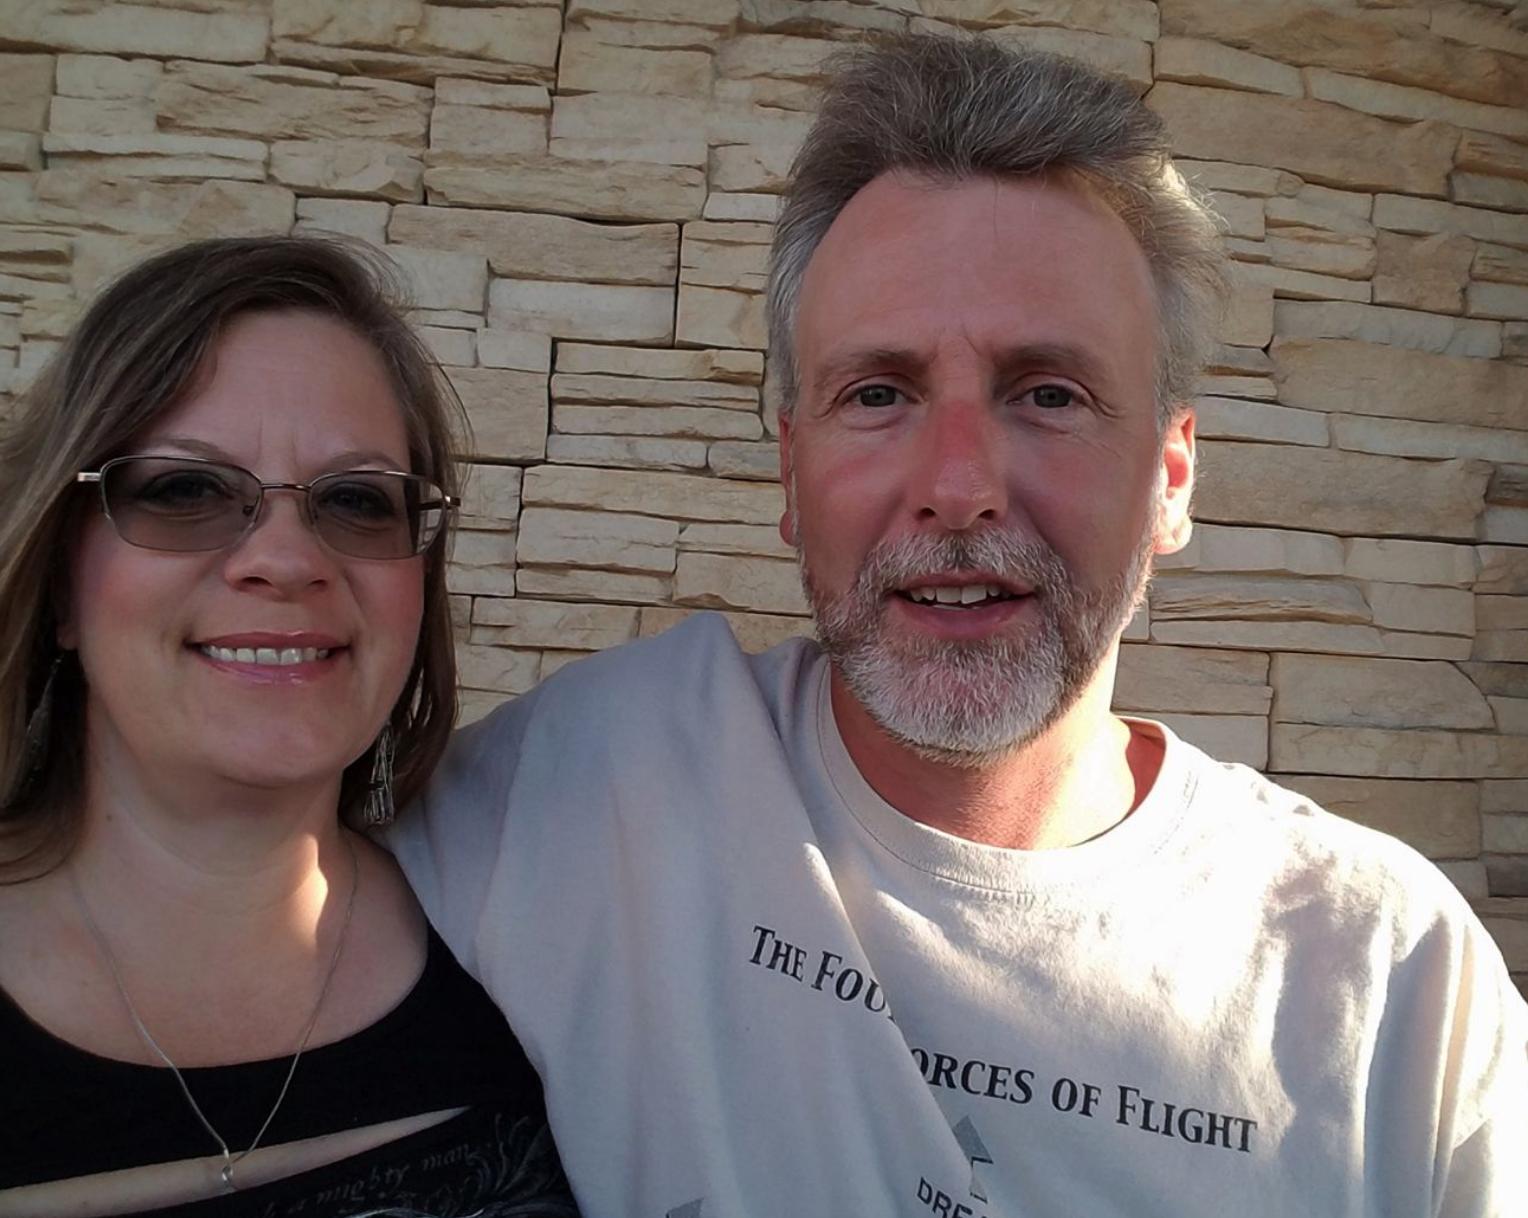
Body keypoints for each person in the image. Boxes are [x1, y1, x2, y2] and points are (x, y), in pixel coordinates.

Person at [396, 32, 1528, 1218]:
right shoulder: (571, 795)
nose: (957, 486)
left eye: (1049, 393)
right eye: (877, 393)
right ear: (790, 475)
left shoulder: (1396, 991)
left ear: (1171, 476)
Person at [0, 238, 577, 1217]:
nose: (286, 557)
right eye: (184, 490)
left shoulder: (527, 951)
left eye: (356, 500)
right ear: (61, 580)